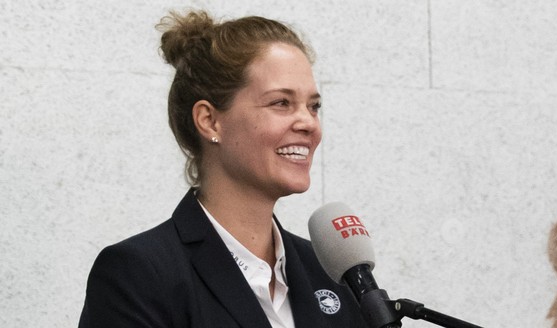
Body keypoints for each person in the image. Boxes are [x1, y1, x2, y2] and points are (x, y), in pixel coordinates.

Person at [78, 9, 368, 328]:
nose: (308, 123)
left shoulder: (331, 272)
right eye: (281, 103)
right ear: (209, 120)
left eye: (314, 106)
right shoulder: (139, 273)